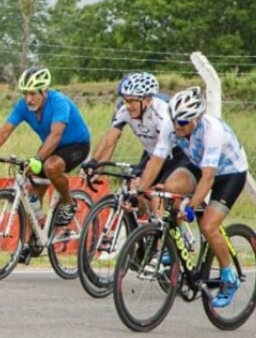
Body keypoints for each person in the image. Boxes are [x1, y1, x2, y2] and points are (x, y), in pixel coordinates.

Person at [138, 86, 249, 308]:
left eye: (182, 122)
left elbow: (208, 178)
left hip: (229, 174)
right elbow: (156, 160)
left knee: (208, 226)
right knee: (171, 187)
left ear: (196, 119)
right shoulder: (173, 124)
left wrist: (191, 206)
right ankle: (174, 244)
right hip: (199, 164)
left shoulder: (212, 132)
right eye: (174, 121)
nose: (177, 126)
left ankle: (229, 277)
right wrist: (140, 190)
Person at [82, 73, 197, 250]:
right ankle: (150, 229)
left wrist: (147, 186)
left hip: (176, 155)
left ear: (147, 100)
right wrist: (94, 162)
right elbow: (110, 138)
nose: (128, 105)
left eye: (132, 101)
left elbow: (159, 157)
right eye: (125, 100)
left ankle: (163, 245)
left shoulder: (161, 113)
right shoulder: (124, 110)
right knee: (135, 188)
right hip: (152, 153)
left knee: (157, 196)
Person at [0, 67, 91, 234]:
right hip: (51, 145)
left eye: (33, 94)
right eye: (25, 93)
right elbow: (4, 131)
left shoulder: (59, 102)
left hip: (77, 144)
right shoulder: (23, 106)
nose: (28, 99)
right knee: (32, 190)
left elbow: (56, 135)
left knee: (51, 166)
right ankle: (32, 240)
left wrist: (37, 159)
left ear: (44, 91)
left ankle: (68, 202)